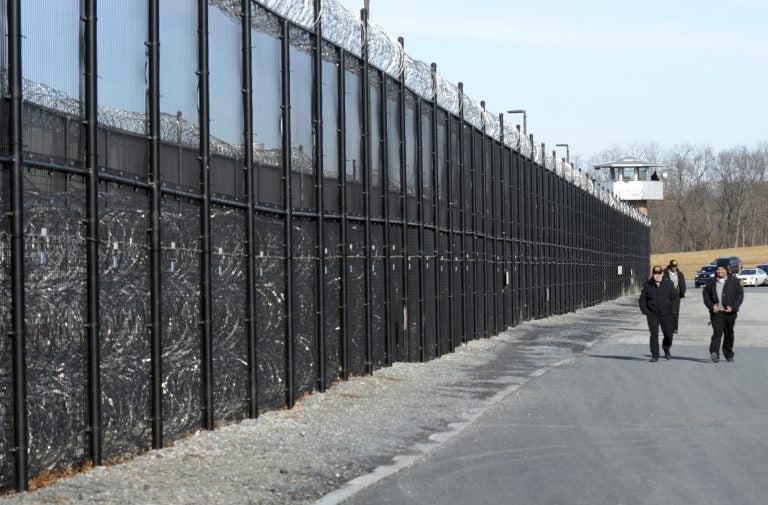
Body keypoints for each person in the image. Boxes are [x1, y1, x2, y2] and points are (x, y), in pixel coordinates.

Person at [702, 260, 744, 362]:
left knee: (729, 333)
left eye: (722, 269)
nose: (719, 271)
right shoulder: (711, 281)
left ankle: (728, 354)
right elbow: (706, 295)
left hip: (730, 313)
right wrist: (711, 306)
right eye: (718, 269)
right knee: (717, 332)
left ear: (726, 270)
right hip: (717, 313)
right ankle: (714, 353)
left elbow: (740, 295)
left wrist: (733, 307)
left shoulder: (734, 281)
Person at [639, 265, 678, 362]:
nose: (657, 276)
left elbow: (675, 298)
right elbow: (642, 300)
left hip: (667, 314)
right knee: (654, 334)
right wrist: (645, 311)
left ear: (662, 274)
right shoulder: (647, 285)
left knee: (668, 334)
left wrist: (673, 309)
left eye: (659, 274)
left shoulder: (669, 284)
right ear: (652, 275)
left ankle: (666, 348)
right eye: (655, 274)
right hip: (653, 314)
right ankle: (655, 354)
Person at [663, 259, 686, 334]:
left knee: (675, 312)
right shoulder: (664, 273)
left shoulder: (680, 274)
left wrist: (682, 292)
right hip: (666, 296)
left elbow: (682, 284)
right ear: (670, 266)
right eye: (672, 266)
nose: (674, 268)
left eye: (675, 266)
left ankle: (675, 328)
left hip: (676, 296)